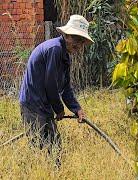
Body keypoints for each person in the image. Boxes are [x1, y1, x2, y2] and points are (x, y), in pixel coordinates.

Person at [19, 14, 94, 167]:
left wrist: (76, 109)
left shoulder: (64, 55)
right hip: (33, 105)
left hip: (44, 106)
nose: (78, 45)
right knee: (38, 149)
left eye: (82, 42)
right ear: (66, 35)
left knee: (55, 149)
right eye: (76, 39)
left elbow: (65, 87)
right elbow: (50, 84)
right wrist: (59, 109)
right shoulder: (54, 49)